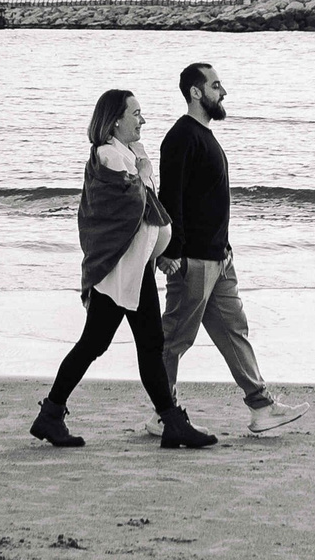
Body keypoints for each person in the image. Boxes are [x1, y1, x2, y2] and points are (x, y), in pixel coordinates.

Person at [31, 88, 219, 450]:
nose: (142, 120)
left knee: (143, 345)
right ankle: (52, 414)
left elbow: (146, 207)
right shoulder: (107, 156)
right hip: (118, 272)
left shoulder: (125, 154)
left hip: (134, 269)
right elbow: (134, 205)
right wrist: (146, 171)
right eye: (136, 114)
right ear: (115, 119)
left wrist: (158, 249)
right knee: (98, 344)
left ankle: (169, 421)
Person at [154, 61, 308, 436]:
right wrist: (170, 253)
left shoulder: (205, 135)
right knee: (174, 339)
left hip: (219, 258)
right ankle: (164, 414)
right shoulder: (181, 137)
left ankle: (261, 407)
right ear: (196, 91)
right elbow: (169, 199)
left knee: (234, 331)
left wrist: (224, 250)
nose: (223, 92)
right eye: (216, 85)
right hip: (193, 261)